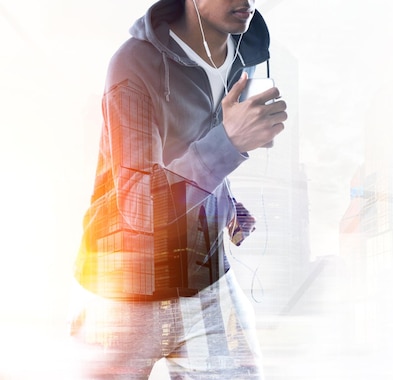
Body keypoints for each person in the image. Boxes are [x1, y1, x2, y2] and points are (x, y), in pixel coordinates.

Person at [68, 0, 287, 378]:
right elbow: (140, 206)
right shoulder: (134, 64)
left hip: (208, 284)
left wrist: (227, 205)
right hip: (124, 290)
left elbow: (192, 143)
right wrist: (230, 142)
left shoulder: (243, 52)